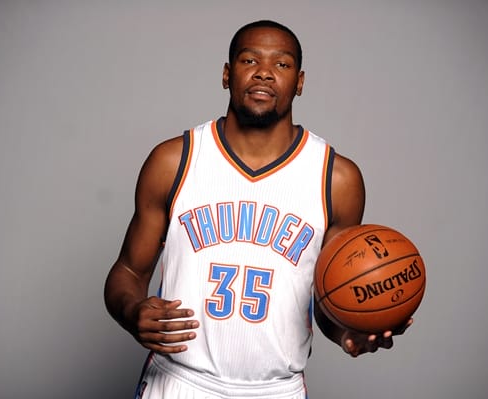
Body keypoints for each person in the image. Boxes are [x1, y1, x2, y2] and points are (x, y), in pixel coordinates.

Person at [104, 19, 411, 399]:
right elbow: (128, 271)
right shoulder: (174, 160)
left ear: (299, 82)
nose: (264, 72)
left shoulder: (337, 179)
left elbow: (327, 301)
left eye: (281, 64)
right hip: (180, 382)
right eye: (250, 60)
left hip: (276, 391)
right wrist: (133, 310)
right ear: (227, 75)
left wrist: (351, 330)